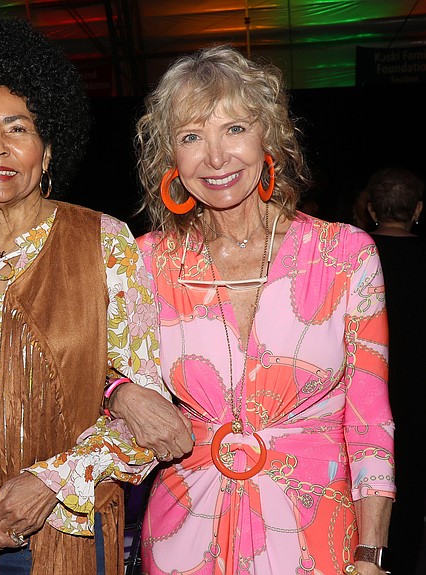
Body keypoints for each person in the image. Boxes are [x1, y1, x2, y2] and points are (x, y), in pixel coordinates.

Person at [0, 17, 192, 575]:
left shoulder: (103, 242)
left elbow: (147, 410)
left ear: (48, 150)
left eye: (18, 129)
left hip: (63, 527)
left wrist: (49, 482)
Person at [129, 45, 395, 575]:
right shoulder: (146, 262)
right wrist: (122, 396)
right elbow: (107, 379)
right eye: (190, 137)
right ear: (171, 162)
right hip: (184, 532)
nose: (215, 157)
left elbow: (370, 421)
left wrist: (370, 553)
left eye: (233, 129)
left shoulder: (344, 254)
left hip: (318, 535)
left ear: (267, 137)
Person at [365, 167, 426, 575]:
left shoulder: (350, 256)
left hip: (365, 398)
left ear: (371, 210)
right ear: (417, 210)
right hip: (418, 398)